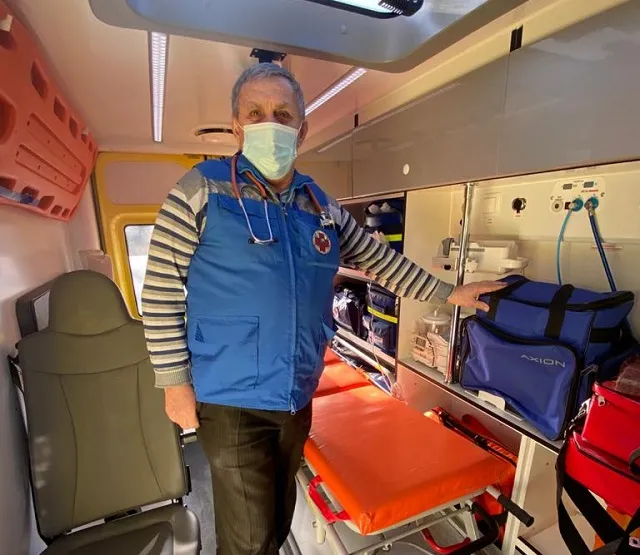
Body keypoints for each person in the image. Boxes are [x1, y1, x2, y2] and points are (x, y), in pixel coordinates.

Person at [141, 63, 505, 555]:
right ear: (236, 127)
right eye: (255, 113)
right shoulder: (200, 191)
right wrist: (173, 381)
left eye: (283, 114)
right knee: (249, 540)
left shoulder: (319, 206)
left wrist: (449, 292)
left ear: (302, 128)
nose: (270, 123)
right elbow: (160, 291)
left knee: (276, 517)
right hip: (230, 400)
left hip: (296, 394)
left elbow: (380, 261)